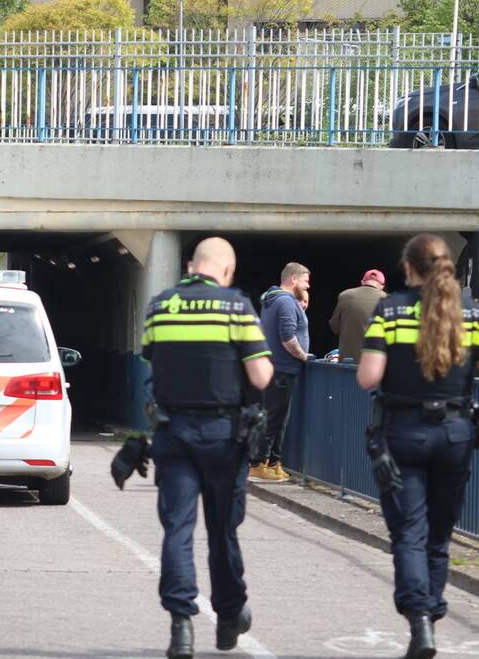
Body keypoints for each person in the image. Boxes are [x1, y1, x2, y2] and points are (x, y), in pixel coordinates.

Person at [357, 234, 479, 659]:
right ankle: (432, 610)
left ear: (408, 268)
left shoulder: (389, 310)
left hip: (402, 433)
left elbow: (368, 378)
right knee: (439, 535)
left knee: (408, 532)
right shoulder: (472, 312)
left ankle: (419, 619)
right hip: (455, 435)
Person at [141, 237, 273, 659]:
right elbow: (261, 376)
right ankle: (229, 616)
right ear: (227, 270)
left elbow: (152, 361)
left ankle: (181, 627)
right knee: (222, 531)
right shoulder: (237, 307)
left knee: (178, 529)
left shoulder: (160, 306)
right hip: (223, 436)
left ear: (190, 266)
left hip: (173, 432)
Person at [249, 262, 310, 483]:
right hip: (283, 367)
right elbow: (287, 337)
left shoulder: (275, 300)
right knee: (274, 418)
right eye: (306, 281)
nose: (308, 286)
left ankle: (273, 463)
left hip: (276, 366)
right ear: (293, 279)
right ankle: (257, 464)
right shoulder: (285, 302)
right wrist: (303, 356)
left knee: (278, 418)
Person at [330, 269, 387, 363]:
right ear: (382, 286)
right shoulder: (388, 300)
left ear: (362, 282)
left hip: (347, 362)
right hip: (374, 364)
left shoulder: (344, 295)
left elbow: (334, 327)